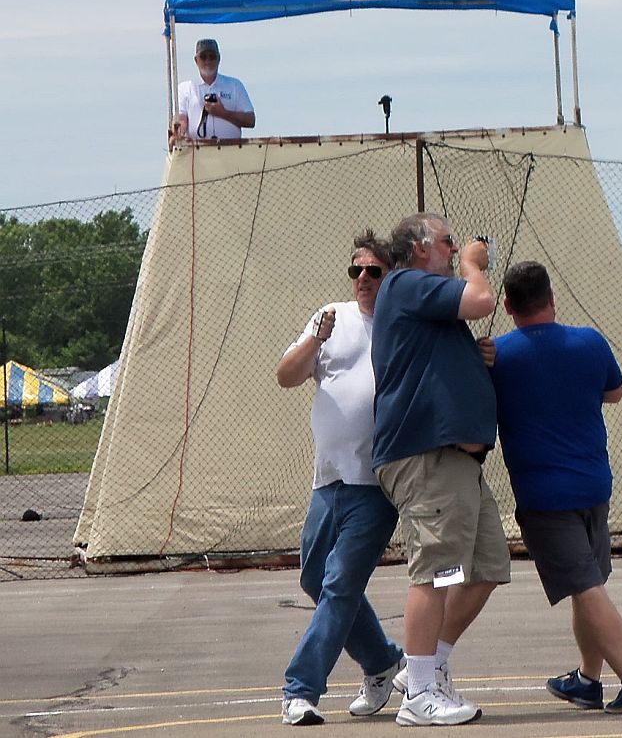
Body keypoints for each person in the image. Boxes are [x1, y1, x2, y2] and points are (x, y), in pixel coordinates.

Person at [489, 261, 622, 715]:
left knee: (587, 588)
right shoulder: (590, 342)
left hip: (545, 495)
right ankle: (588, 679)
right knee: (588, 584)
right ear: (551, 298)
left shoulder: (498, 355)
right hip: (594, 485)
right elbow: (614, 392)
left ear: (508, 306)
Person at [371, 213, 511, 727]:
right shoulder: (406, 283)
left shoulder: (425, 301)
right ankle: (419, 694)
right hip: (427, 457)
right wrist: (475, 264)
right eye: (449, 242)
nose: (455, 250)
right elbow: (481, 300)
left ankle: (430, 666)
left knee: (487, 565)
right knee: (433, 572)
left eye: (458, 247)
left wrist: (473, 356)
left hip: (460, 463)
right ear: (420, 247)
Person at [277, 230, 405, 727]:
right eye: (357, 270)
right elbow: (287, 376)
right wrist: (316, 338)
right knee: (315, 579)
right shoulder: (330, 317)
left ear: (390, 276)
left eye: (374, 271)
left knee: (340, 584)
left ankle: (300, 689)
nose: (363, 279)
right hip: (328, 481)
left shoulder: (401, 325)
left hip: (376, 485)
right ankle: (382, 661)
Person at [170, 39, 255, 145]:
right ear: (196, 60)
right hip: (197, 150)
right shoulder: (185, 88)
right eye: (203, 57)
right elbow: (181, 118)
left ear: (219, 58)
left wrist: (223, 113)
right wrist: (179, 133)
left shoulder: (235, 85)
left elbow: (250, 120)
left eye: (212, 56)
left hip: (232, 149)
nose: (208, 61)